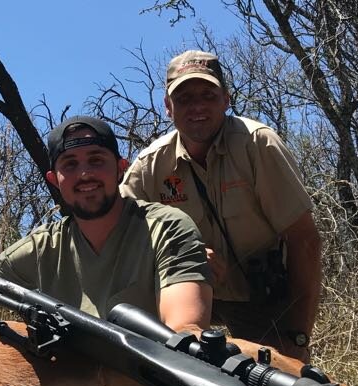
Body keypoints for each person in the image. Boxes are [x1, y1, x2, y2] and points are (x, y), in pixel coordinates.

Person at [0, 115, 212, 340]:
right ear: (55, 180)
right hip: (65, 377)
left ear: (121, 168)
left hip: (141, 377)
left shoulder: (166, 225)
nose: (85, 175)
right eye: (70, 165)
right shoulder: (46, 243)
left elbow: (184, 328)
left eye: (97, 161)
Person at [121, 50, 322, 362]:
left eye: (208, 95)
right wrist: (177, 257)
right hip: (184, 297)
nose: (197, 106)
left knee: (280, 383)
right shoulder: (150, 167)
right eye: (185, 98)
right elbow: (116, 240)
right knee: (183, 378)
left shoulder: (257, 144)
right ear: (168, 107)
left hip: (258, 294)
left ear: (226, 100)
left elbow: (304, 239)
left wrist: (297, 335)